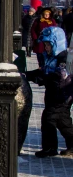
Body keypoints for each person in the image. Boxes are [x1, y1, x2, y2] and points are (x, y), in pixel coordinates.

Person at [25, 26, 73, 158]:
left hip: (60, 96)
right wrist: (28, 75)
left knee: (49, 120)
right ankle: (69, 145)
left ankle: (50, 148)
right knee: (63, 122)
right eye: (45, 45)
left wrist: (40, 78)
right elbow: (44, 72)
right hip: (55, 96)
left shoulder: (62, 59)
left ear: (56, 43)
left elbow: (56, 77)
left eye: (48, 45)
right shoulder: (52, 57)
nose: (46, 48)